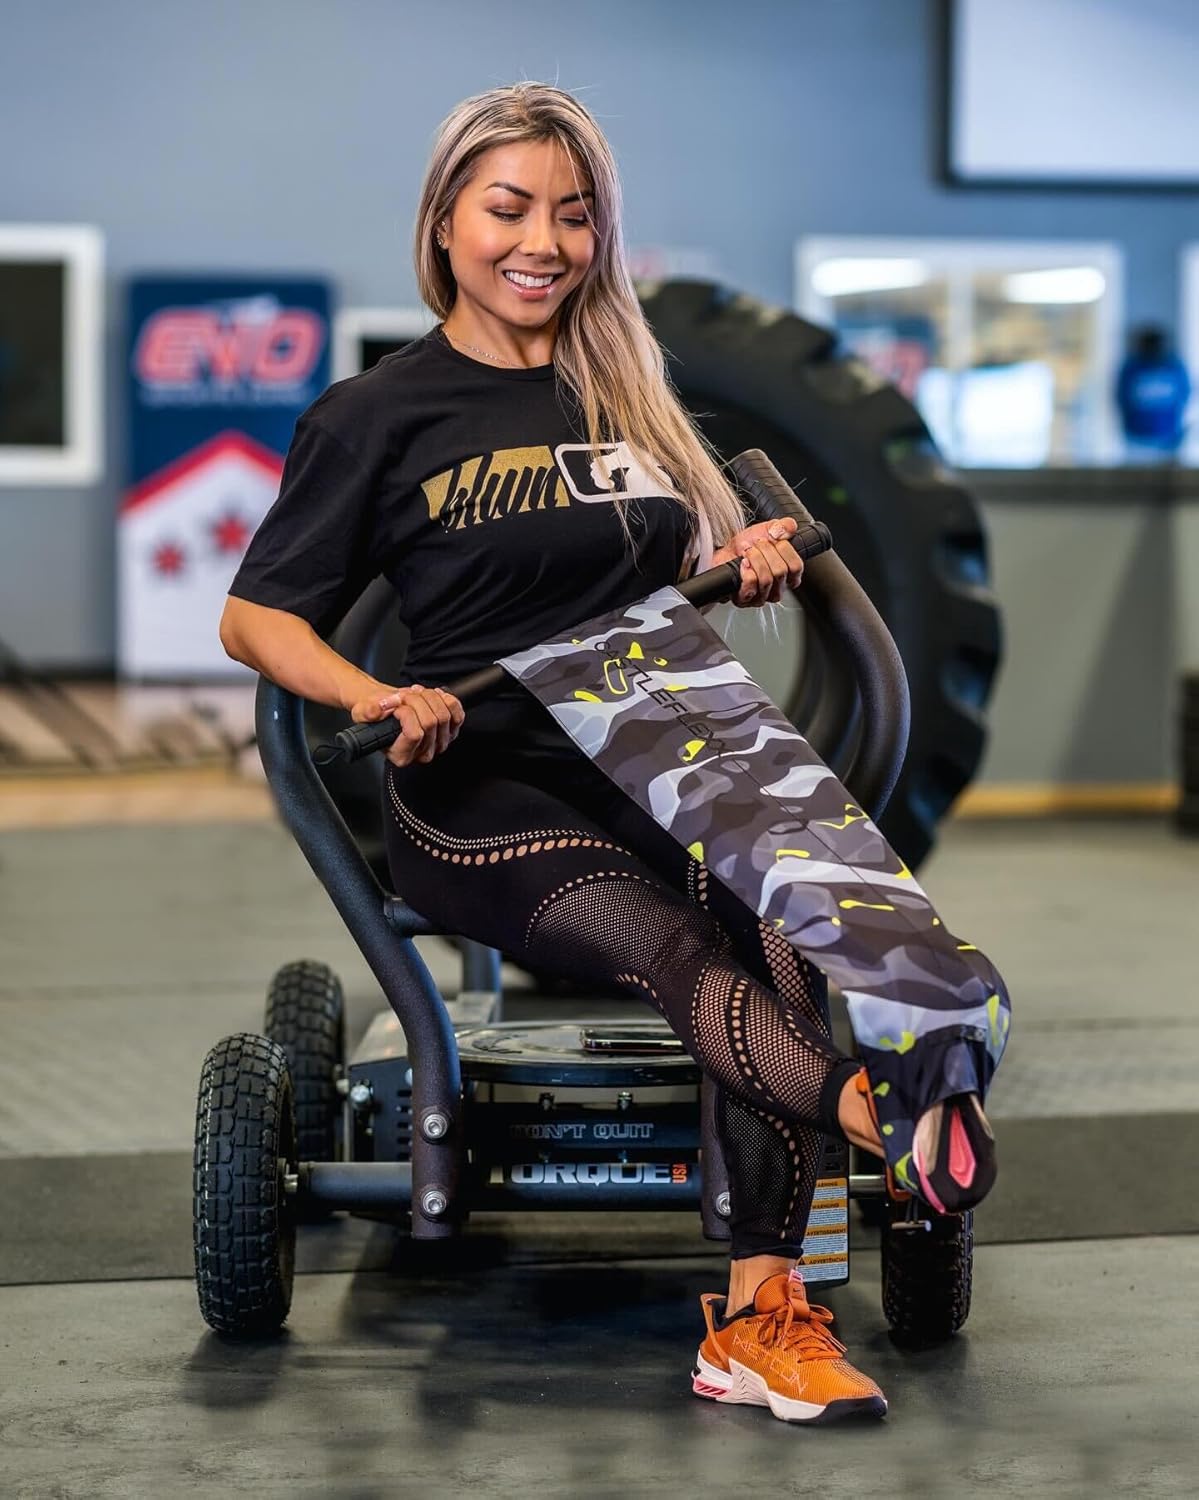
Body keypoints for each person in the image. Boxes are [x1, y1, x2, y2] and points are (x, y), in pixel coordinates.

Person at [221, 82, 994, 1426]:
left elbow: (682, 570)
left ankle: (762, 1317)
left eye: (573, 216)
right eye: (509, 208)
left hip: (653, 756)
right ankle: (886, 1123)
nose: (544, 242)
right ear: (446, 222)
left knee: (777, 919)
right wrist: (378, 691)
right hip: (477, 791)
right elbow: (256, 616)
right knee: (669, 942)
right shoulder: (376, 415)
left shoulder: (627, 394)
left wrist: (749, 557)